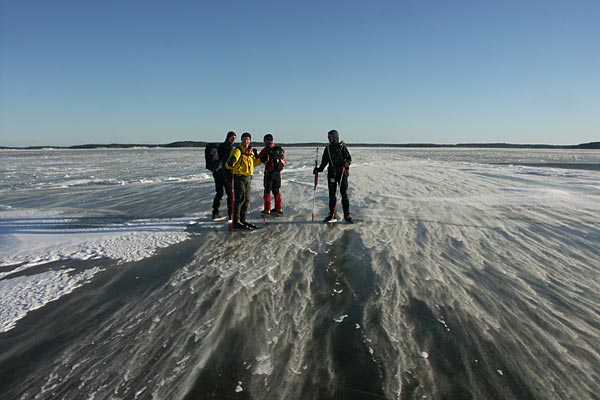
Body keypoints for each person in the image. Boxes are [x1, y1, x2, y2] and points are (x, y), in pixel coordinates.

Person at [313, 129, 353, 223]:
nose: (329, 138)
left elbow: (349, 158)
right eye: (328, 137)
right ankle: (332, 214)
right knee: (332, 195)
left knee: (344, 194)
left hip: (342, 173)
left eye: (330, 137)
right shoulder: (327, 149)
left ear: (335, 137)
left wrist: (346, 164)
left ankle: (347, 215)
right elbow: (324, 162)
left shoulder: (342, 147)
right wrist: (318, 169)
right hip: (332, 173)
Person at [226, 132, 262, 229]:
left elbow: (254, 162)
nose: (246, 141)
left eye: (248, 139)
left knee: (247, 199)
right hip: (239, 177)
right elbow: (229, 164)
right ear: (241, 140)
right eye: (244, 139)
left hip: (248, 178)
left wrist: (262, 160)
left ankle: (243, 219)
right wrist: (232, 161)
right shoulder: (237, 150)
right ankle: (236, 221)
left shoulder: (250, 151)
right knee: (240, 199)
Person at [258, 133, 286, 215]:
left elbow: (259, 158)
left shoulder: (267, 149)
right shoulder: (279, 149)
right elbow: (284, 160)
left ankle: (267, 209)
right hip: (277, 172)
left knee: (267, 190)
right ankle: (279, 208)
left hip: (269, 172)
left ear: (266, 140)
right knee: (276, 190)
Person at [212, 130, 236, 220]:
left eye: (234, 138)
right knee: (230, 194)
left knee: (219, 193)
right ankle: (231, 214)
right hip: (225, 174)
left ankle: (215, 212)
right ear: (228, 137)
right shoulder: (230, 148)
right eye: (232, 138)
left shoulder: (220, 146)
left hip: (217, 173)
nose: (233, 139)